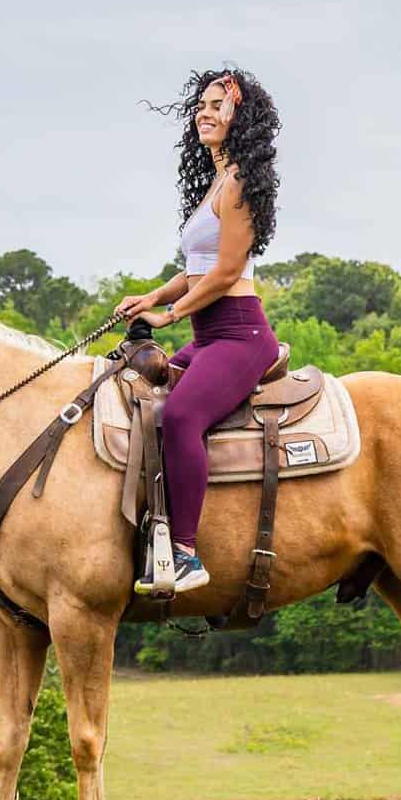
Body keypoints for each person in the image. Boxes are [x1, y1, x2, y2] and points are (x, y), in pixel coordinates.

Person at [115, 66, 281, 596]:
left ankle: (184, 554)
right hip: (212, 335)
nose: (205, 113)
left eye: (218, 105)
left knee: (183, 415)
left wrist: (170, 316)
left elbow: (228, 273)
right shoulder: (218, 179)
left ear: (242, 117)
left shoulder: (240, 184)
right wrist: (152, 296)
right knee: (134, 390)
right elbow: (196, 267)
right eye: (201, 105)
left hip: (239, 336)